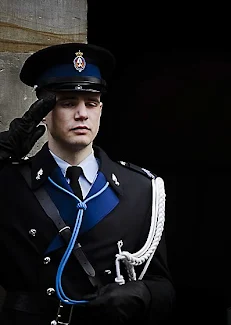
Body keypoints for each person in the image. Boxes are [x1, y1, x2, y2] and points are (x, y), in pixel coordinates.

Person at [0, 43, 175, 325]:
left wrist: (142, 293)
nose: (82, 113)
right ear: (44, 110)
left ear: (101, 110)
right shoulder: (9, 184)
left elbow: (163, 285)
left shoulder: (140, 189)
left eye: (91, 103)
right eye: (68, 102)